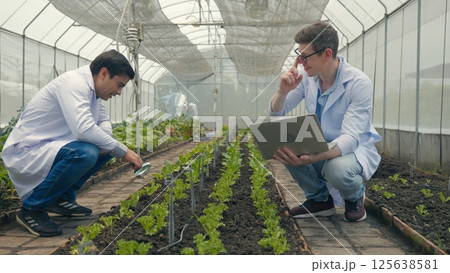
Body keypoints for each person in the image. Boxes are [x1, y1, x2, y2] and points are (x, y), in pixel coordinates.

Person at [1, 49, 144, 236]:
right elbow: (83, 129)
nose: (118, 92)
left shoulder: (93, 92)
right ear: (103, 73)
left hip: (53, 146)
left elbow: (103, 121)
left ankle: (61, 198)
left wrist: (112, 146)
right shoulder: (74, 84)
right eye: (119, 85)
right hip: (28, 150)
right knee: (86, 153)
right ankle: (31, 210)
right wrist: (124, 151)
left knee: (105, 148)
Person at [269, 22, 381, 222]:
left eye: (306, 56)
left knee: (336, 169)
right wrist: (283, 91)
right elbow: (277, 113)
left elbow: (350, 138)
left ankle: (355, 197)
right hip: (320, 145)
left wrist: (315, 157)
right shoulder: (306, 78)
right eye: (299, 55)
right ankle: (320, 201)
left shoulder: (358, 83)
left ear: (327, 54)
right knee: (281, 143)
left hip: (350, 151)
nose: (301, 61)